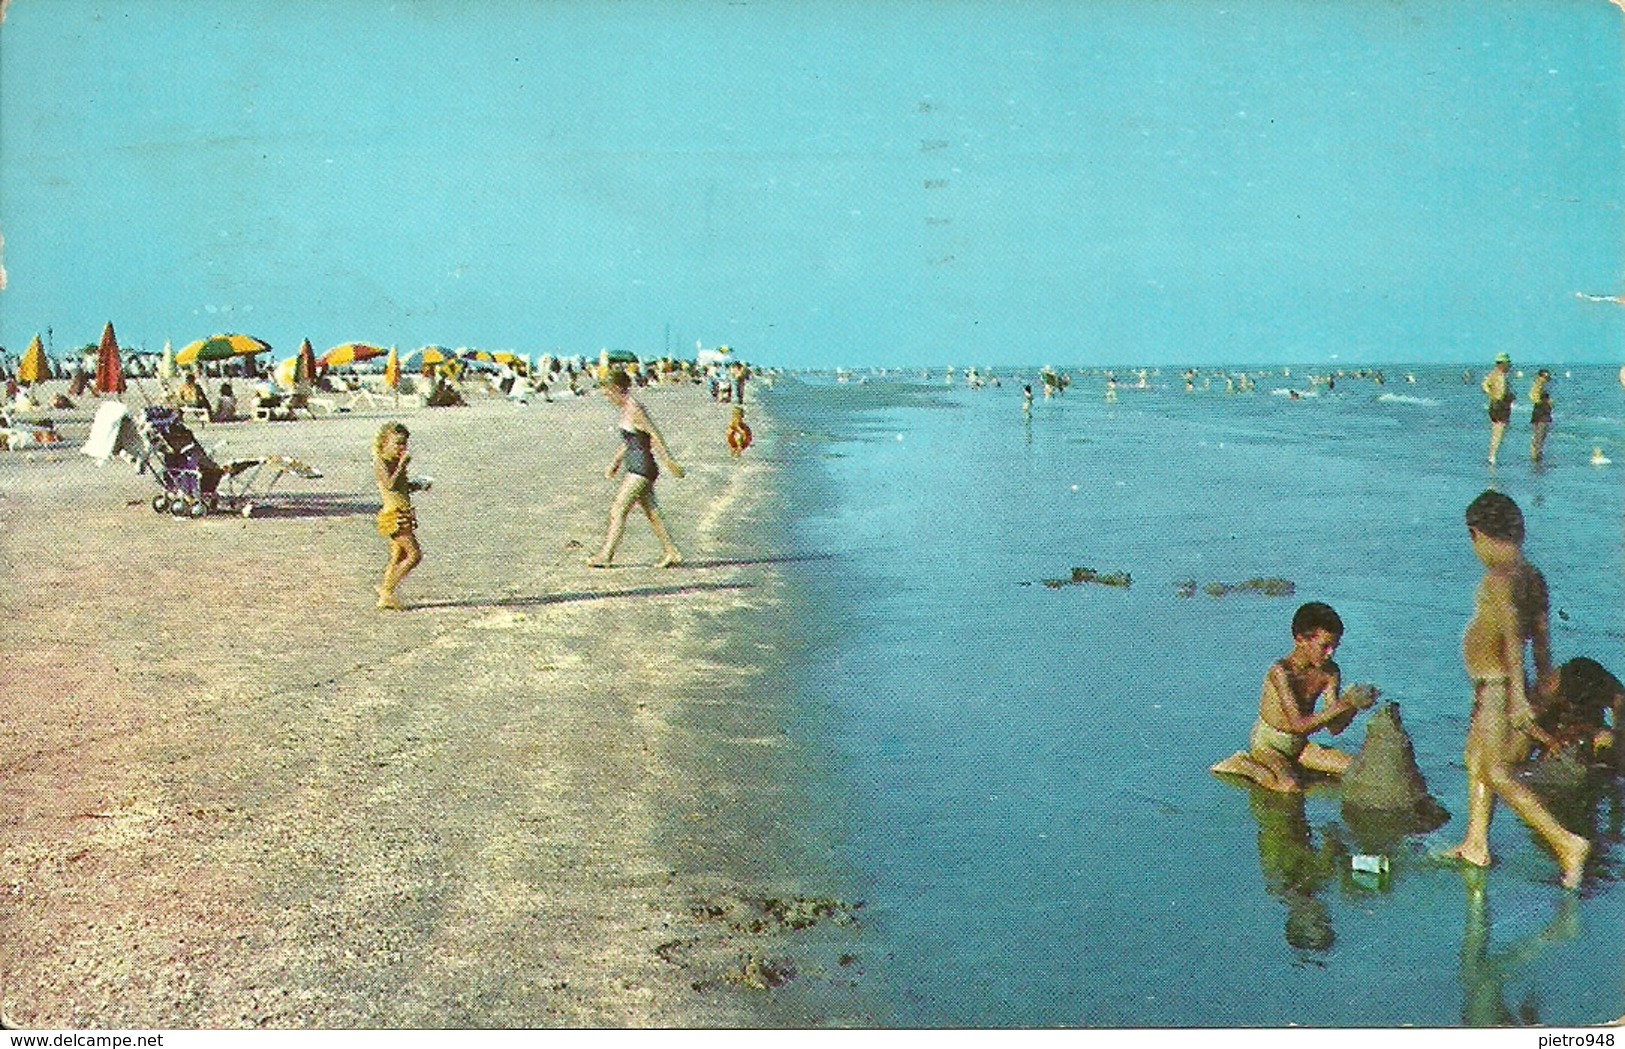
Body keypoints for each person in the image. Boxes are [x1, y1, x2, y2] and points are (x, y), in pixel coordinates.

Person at [1439, 490, 1589, 889]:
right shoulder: (1532, 575)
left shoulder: (1498, 580)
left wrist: (1522, 700)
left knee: (1497, 771)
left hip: (1499, 687)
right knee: (1475, 757)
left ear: (1478, 535)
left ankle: (1566, 843)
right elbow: (1540, 633)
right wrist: (1544, 682)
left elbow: (1509, 637)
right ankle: (1476, 842)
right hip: (1502, 685)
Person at [1210, 602, 1379, 793]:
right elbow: (1297, 725)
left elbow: (1334, 727)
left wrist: (1354, 706)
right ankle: (1244, 764)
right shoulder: (1281, 672)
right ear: (1300, 640)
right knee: (1289, 787)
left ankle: (1299, 772)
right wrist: (1345, 703)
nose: (1330, 653)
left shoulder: (1329, 673)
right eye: (1324, 646)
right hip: (1269, 745)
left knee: (1360, 770)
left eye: (1334, 647)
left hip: (1299, 746)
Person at [589, 370, 685, 568]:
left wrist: (670, 462)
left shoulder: (634, 409)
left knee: (618, 509)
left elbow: (653, 435)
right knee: (652, 512)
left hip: (642, 468)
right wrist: (615, 462)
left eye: (607, 393)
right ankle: (672, 552)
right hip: (635, 465)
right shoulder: (626, 408)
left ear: (616, 389)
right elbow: (630, 440)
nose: (607, 398)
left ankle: (605, 556)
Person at [372, 422, 425, 610]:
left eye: (404, 444)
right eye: (397, 444)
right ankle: (386, 589)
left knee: (397, 556)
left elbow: (401, 486)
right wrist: (402, 465)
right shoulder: (381, 462)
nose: (401, 448)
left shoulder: (394, 462)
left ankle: (386, 597)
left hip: (403, 511)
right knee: (414, 555)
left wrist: (416, 485)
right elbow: (389, 485)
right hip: (394, 515)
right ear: (384, 442)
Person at [1481, 353, 1515, 465]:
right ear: (1503, 364)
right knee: (1499, 431)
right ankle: (1493, 456)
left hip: (1495, 404)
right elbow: (1502, 391)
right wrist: (1498, 396)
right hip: (1500, 405)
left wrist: (1490, 394)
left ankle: (1491, 455)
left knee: (1495, 430)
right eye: (1508, 364)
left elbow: (1484, 385)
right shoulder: (1500, 375)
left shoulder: (1493, 374)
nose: (1509, 366)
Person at [1527, 370, 1553, 463]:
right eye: (1545, 377)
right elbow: (1532, 396)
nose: (1546, 379)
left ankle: (1536, 454)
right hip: (1542, 412)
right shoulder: (1538, 385)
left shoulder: (1540, 385)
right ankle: (1536, 455)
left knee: (1538, 435)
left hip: (1540, 412)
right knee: (1540, 434)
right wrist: (1543, 401)